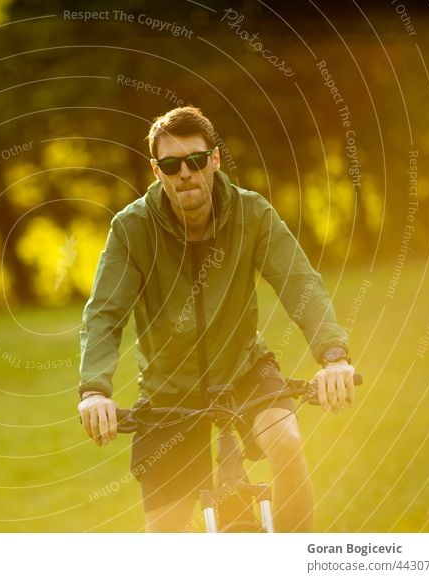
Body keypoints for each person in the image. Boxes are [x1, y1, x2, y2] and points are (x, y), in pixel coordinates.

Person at [77, 106, 357, 532]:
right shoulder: (131, 228)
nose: (185, 173)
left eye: (196, 160)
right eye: (171, 165)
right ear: (157, 171)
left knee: (287, 444)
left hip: (244, 370)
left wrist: (333, 356)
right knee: (165, 539)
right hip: (169, 391)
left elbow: (299, 283)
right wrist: (95, 391)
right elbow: (104, 314)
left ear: (215, 160)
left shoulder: (252, 214)